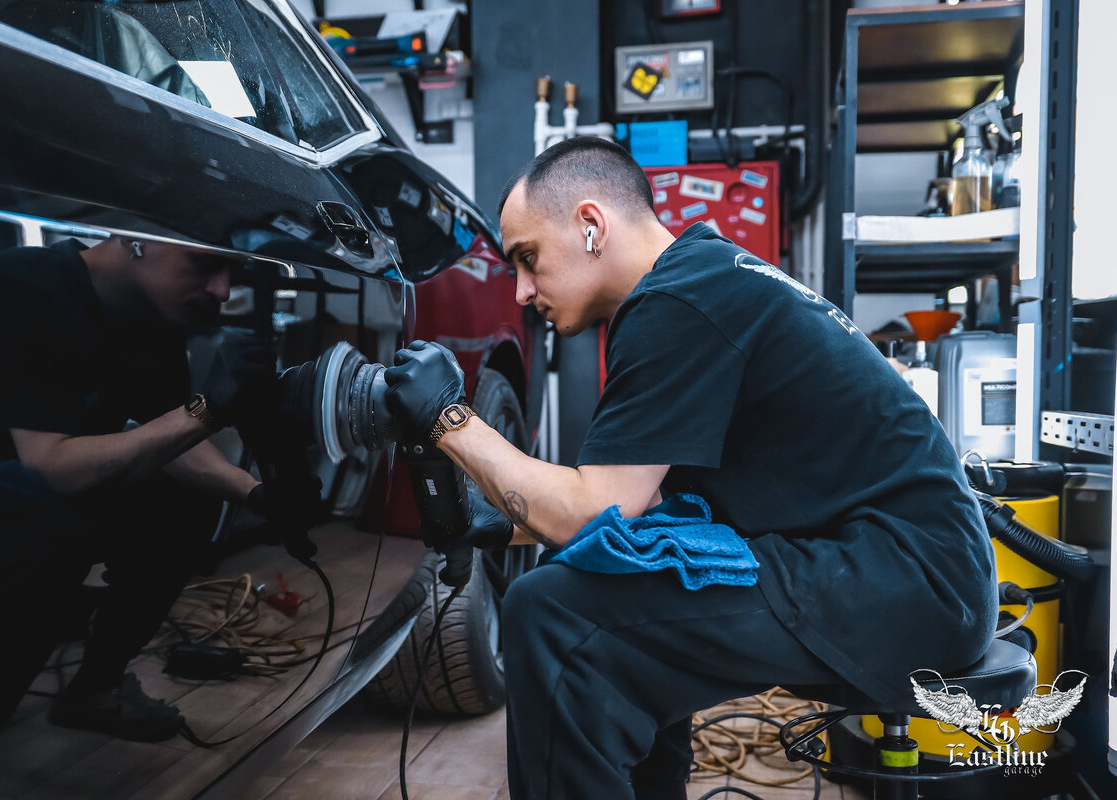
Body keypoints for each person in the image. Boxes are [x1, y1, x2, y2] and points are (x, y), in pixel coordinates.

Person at [383, 137, 998, 800]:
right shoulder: (701, 279)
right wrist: (501, 524)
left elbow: (597, 510)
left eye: (528, 259)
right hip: (911, 572)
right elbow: (640, 512)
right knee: (618, 594)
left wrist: (448, 419)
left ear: (591, 225)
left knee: (555, 618)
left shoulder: (678, 303)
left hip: (906, 583)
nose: (524, 291)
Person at [0, 235, 279, 799]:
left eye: (230, 274)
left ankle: (96, 688)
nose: (222, 290)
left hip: (11, 488)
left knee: (181, 503)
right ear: (137, 239)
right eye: (205, 266)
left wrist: (256, 495)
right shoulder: (23, 285)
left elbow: (169, 436)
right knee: (50, 533)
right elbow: (51, 467)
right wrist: (206, 410)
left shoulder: (150, 312)